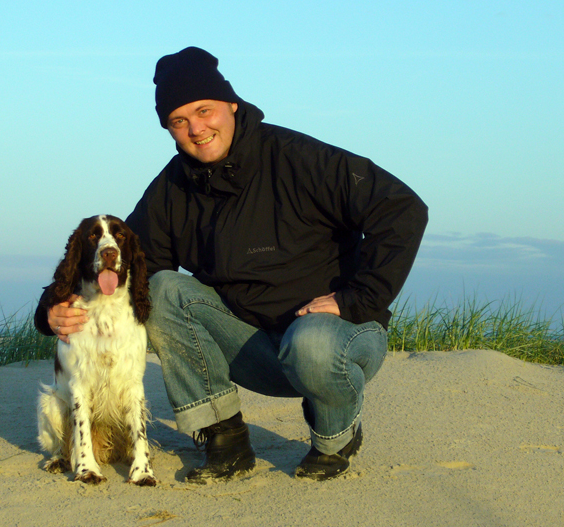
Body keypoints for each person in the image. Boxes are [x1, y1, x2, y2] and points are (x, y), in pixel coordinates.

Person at [35, 47, 428, 482]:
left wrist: (358, 297)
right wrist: (50, 309)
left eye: (204, 111)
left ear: (232, 105)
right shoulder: (172, 188)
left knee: (312, 345)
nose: (197, 129)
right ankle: (226, 440)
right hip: (253, 346)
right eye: (179, 121)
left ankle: (336, 437)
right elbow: (118, 260)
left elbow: (403, 209)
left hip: (339, 336)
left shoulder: (297, 156)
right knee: (164, 289)